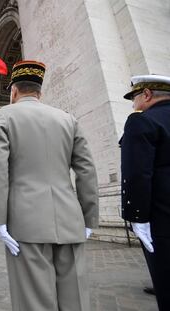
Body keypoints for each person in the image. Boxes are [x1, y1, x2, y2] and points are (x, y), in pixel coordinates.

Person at [0, 60, 99, 311]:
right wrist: (89, 219)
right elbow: (87, 170)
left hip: (25, 223)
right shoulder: (68, 120)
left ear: (14, 90)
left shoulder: (2, 116)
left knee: (35, 302)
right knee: (75, 301)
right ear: (40, 91)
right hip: (70, 221)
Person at [120, 74, 170, 311]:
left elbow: (137, 172)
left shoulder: (142, 121)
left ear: (147, 94)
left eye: (135, 98)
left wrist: (137, 217)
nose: (133, 104)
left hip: (162, 221)